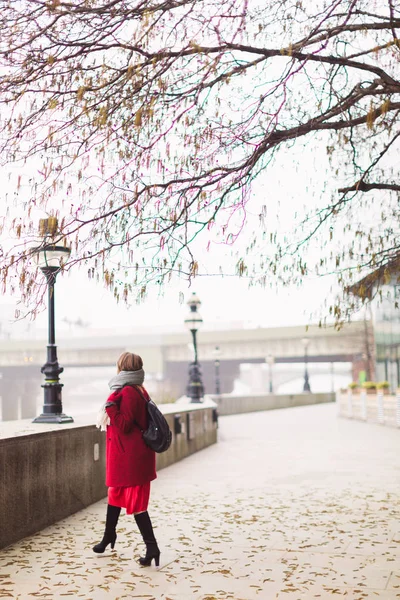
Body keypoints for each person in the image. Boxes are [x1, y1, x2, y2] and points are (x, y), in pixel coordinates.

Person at [93, 352, 160, 566]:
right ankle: (108, 536)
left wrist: (111, 409)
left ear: (122, 367)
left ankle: (152, 547)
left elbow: (125, 424)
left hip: (132, 458)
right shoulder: (131, 388)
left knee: (136, 504)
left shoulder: (130, 392)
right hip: (124, 455)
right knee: (115, 494)